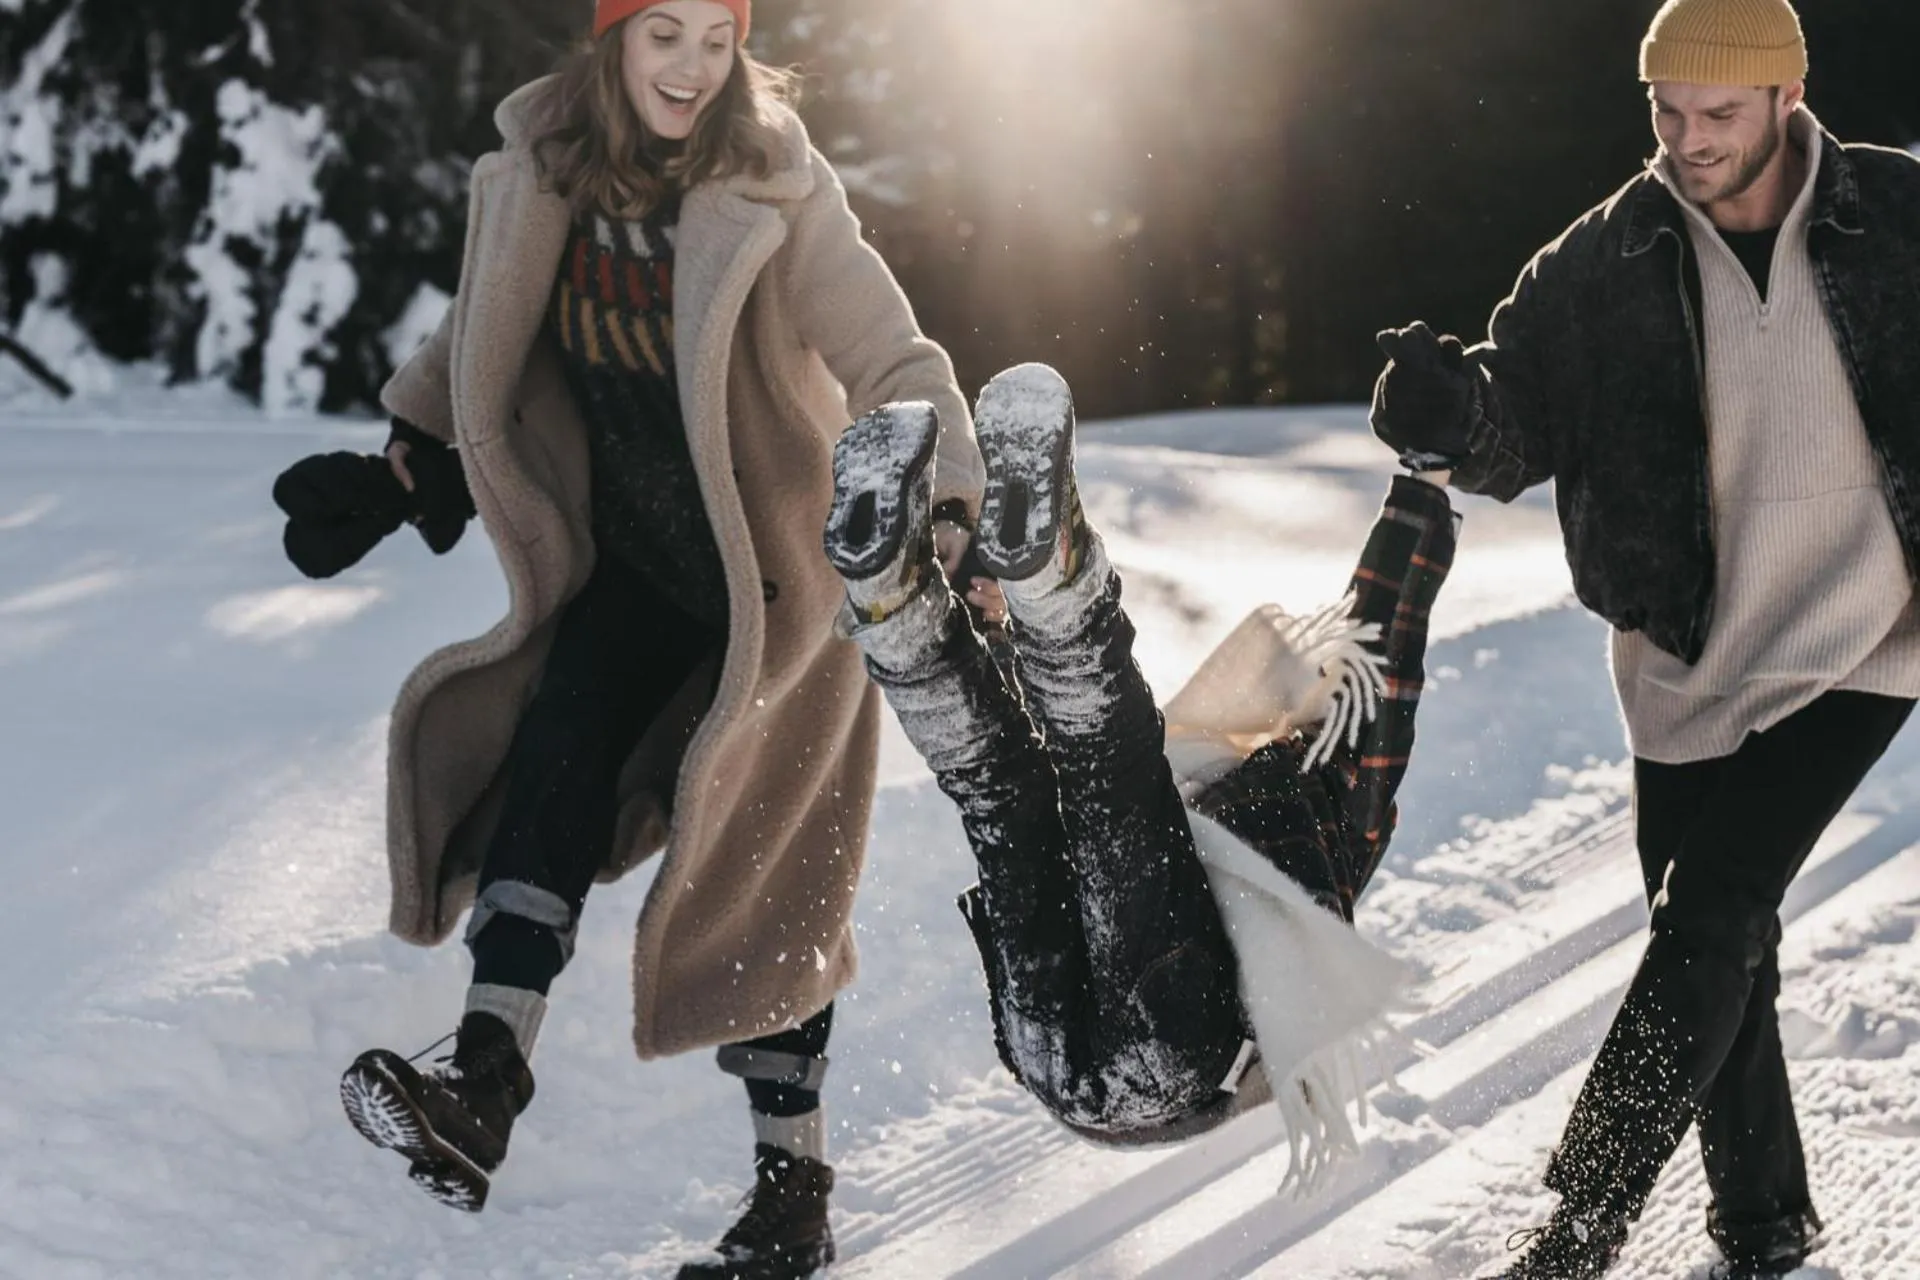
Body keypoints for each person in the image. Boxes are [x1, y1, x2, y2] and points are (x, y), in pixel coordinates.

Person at [268, 2, 987, 1274]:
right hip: (642, 562)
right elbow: (478, 333)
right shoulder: (543, 164)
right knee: (555, 748)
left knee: (769, 868)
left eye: (717, 40)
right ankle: (484, 1078)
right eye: (665, 36)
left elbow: (893, 352)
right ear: (611, 40)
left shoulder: (774, 176)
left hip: (780, 584)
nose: (693, 70)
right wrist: (400, 469)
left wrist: (945, 509)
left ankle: (794, 1191)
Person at [1368, 1, 1920, 1274]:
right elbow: (1517, 422)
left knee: (1712, 908)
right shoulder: (1603, 259)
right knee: (1721, 944)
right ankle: (1764, 1224)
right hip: (1685, 652)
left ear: (1789, 95)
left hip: (1864, 630)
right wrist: (1450, 418)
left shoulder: (1895, 217)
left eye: (1717, 112)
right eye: (1664, 109)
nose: (1686, 138)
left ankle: (1584, 1219)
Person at [821, 362, 1455, 1183]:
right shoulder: (1261, 809)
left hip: (1185, 1049)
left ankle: (1045, 573)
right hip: (1055, 1062)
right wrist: (982, 636)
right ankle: (899, 613)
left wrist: (1424, 482)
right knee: (1003, 787)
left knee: (1106, 768)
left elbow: (1384, 639)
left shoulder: (1339, 794)